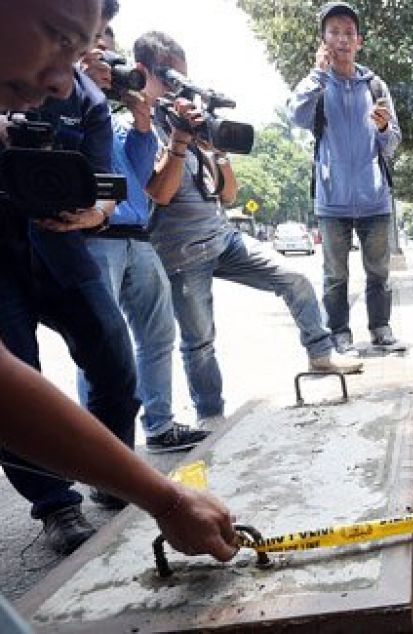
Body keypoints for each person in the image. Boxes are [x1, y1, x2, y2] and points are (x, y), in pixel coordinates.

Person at [0, 0, 235, 563]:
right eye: (56, 36)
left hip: (63, 247)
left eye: (78, 52)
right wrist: (168, 499)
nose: (63, 78)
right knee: (21, 361)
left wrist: (95, 212)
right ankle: (56, 504)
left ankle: (108, 474)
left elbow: (110, 186)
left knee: (114, 360)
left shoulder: (85, 101)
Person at [141, 31, 362, 424]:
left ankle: (321, 353)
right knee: (200, 343)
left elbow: (227, 196)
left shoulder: (194, 124)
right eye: (170, 79)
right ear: (145, 74)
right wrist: (178, 141)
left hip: (223, 237)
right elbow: (159, 193)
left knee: (294, 278)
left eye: (183, 79)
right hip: (181, 252)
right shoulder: (146, 129)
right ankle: (212, 419)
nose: (180, 89)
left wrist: (217, 152)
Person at [78, 0, 209, 452]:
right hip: (95, 240)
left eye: (107, 48)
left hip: (138, 237)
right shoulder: (61, 99)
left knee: (158, 338)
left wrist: (137, 118)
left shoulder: (121, 116)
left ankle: (160, 425)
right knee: (101, 350)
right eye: (93, 47)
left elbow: (140, 177)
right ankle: (106, 451)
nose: (103, 59)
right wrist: (80, 89)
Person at [289, 1, 403, 355]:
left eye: (348, 33)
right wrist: (319, 76)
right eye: (334, 32)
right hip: (332, 198)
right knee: (335, 275)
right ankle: (339, 331)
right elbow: (296, 116)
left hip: (374, 197)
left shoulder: (375, 85)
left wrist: (384, 129)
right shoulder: (315, 84)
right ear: (323, 40)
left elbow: (394, 140)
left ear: (359, 41)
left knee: (378, 272)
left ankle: (380, 327)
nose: (342, 39)